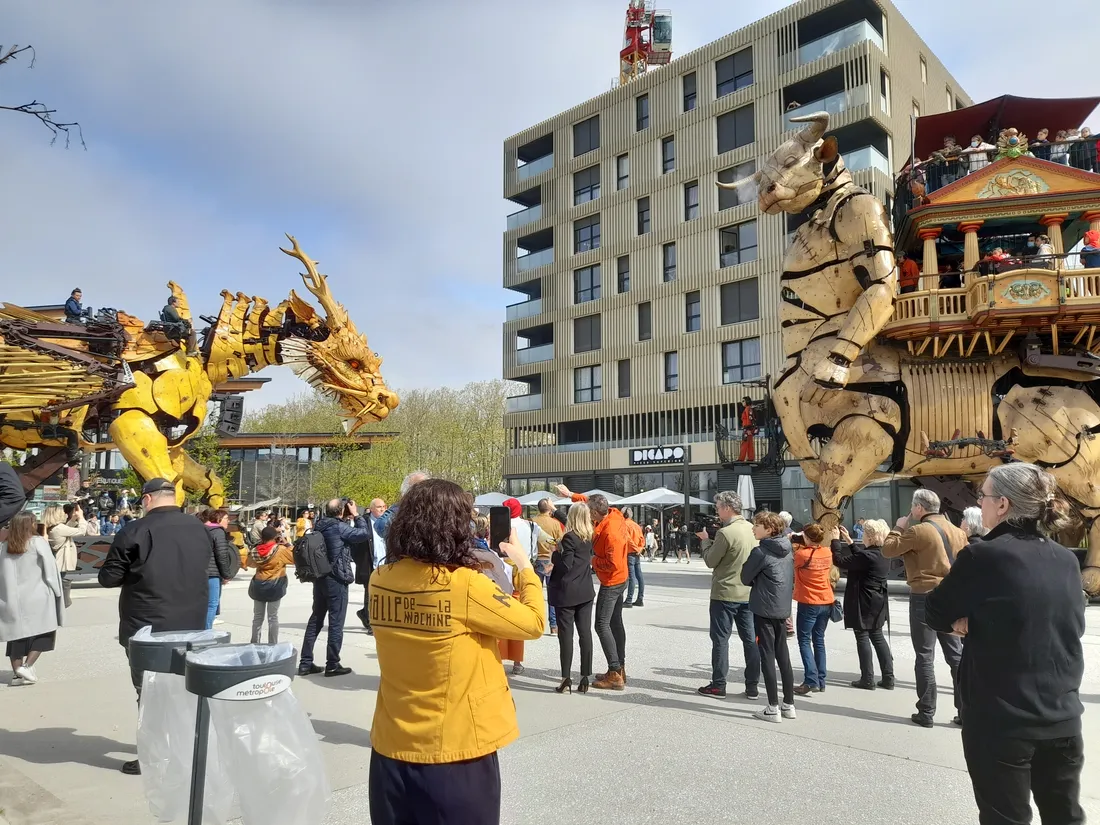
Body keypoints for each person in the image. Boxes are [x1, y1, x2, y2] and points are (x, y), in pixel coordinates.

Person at [367, 479, 545, 825]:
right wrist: (524, 566)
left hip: (391, 746)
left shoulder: (380, 579)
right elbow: (533, 623)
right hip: (454, 751)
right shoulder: (464, 584)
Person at [925, 464, 1086, 825]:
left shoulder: (984, 555)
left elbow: (935, 609)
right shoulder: (1065, 560)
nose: (979, 503)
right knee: (1066, 817)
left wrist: (965, 622)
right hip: (1062, 715)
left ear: (1002, 505)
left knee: (1005, 819)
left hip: (1003, 719)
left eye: (982, 495)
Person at [98, 478, 211, 776]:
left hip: (146, 626)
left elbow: (108, 578)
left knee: (149, 693)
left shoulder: (135, 530)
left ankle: (154, 755)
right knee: (182, 689)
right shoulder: (198, 528)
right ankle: (184, 748)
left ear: (147, 500)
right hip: (191, 624)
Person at [883, 488, 967, 728]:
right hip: (952, 597)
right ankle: (964, 711)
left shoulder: (917, 530)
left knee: (924, 655)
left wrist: (898, 526)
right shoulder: (959, 532)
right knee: (956, 656)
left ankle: (926, 711)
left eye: (912, 508)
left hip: (924, 596)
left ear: (919, 508)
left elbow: (888, 550)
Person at [556, 484, 629, 690]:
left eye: (590, 513)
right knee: (615, 623)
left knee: (601, 625)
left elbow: (611, 563)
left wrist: (592, 561)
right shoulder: (613, 513)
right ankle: (619, 666)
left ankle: (615, 672)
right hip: (621, 577)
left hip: (612, 580)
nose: (588, 515)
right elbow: (588, 501)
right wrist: (571, 495)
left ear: (596, 513)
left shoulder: (611, 532)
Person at [299, 498, 373, 678]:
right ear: (341, 511)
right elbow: (364, 534)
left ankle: (305, 663)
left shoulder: (319, 525)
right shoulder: (338, 527)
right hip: (337, 578)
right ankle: (332, 664)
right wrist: (356, 515)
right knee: (336, 622)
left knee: (316, 619)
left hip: (320, 578)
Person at [696, 491, 760, 700]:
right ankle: (752, 685)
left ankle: (719, 685)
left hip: (725, 592)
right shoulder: (752, 529)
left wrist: (705, 541)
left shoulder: (726, 533)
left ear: (726, 508)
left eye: (717, 506)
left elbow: (711, 561)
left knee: (721, 640)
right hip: (748, 592)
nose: (716, 510)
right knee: (750, 640)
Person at [741, 511, 795, 723]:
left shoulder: (760, 552)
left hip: (764, 607)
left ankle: (773, 706)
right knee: (783, 655)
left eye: (757, 525)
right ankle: (788, 704)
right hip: (782, 607)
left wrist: (757, 582)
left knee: (767, 655)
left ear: (770, 529)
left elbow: (745, 577)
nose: (754, 528)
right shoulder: (788, 549)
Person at [1, 511, 64, 686]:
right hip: (38, 595)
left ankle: (17, 674)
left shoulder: (5, 546)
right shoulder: (37, 543)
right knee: (45, 631)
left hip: (11, 598)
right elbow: (51, 572)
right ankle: (27, 666)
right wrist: (57, 593)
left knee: (16, 636)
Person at [832, 519, 894, 690]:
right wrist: (851, 542)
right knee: (877, 636)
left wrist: (835, 540)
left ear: (870, 536)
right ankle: (889, 678)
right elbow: (860, 558)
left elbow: (840, 561)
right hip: (878, 599)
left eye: (865, 533)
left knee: (862, 636)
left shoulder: (866, 556)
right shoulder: (883, 553)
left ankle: (867, 678)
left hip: (863, 599)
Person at [548, 502, 596, 695]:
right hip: (585, 590)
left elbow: (566, 564)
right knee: (585, 633)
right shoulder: (589, 537)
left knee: (566, 635)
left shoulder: (569, 537)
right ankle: (585, 677)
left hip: (567, 591)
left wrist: (555, 555)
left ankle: (566, 677)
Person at [792, 522, 834, 695]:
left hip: (809, 600)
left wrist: (793, 539)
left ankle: (811, 680)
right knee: (819, 640)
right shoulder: (827, 552)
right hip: (826, 599)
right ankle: (821, 680)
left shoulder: (801, 554)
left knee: (804, 640)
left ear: (807, 537)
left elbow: (793, 559)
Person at [247, 525, 294, 644]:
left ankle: (254, 643)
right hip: (275, 584)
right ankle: (272, 644)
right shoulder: (280, 550)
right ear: (275, 537)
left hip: (259, 584)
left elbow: (249, 563)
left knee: (257, 617)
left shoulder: (255, 550)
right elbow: (294, 558)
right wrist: (287, 544)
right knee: (273, 617)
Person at [43, 503, 87, 608]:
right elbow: (82, 531)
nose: (64, 513)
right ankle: (59, 607)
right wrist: (81, 518)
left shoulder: (52, 528)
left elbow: (65, 530)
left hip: (56, 561)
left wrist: (73, 519)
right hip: (61, 561)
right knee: (61, 585)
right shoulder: (59, 528)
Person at [202, 508, 239, 630]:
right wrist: (226, 575)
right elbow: (222, 555)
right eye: (226, 519)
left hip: (200, 571)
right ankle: (206, 632)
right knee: (212, 604)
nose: (228, 521)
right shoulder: (218, 531)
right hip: (212, 572)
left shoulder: (203, 529)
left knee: (203, 603)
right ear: (218, 519)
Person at [355, 498, 388, 632]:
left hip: (385, 564)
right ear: (372, 508)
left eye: (384, 506)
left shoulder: (388, 521)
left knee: (382, 594)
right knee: (370, 594)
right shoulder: (364, 522)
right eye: (379, 507)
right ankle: (370, 624)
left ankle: (365, 613)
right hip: (369, 563)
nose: (382, 509)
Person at [531, 497, 564, 631]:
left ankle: (535, 622)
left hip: (536, 559)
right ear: (549, 509)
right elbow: (560, 542)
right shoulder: (555, 523)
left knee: (535, 593)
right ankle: (553, 625)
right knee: (552, 593)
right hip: (551, 559)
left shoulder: (532, 522)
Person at [374, 470, 430, 538]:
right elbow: (381, 526)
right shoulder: (400, 511)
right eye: (422, 488)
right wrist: (404, 505)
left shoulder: (434, 510)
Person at [622, 507, 645, 608]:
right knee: (639, 576)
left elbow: (628, 540)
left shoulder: (624, 525)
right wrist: (640, 549)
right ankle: (640, 598)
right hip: (636, 553)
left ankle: (629, 600)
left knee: (632, 577)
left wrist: (636, 549)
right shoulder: (636, 525)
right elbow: (642, 539)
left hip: (630, 552)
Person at [738, 396, 757, 461]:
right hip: (749, 429)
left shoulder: (747, 409)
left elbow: (749, 419)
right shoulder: (749, 409)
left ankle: (741, 458)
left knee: (744, 443)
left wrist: (748, 428)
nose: (742, 402)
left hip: (747, 429)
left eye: (743, 401)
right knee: (749, 444)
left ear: (747, 401)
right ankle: (751, 458)